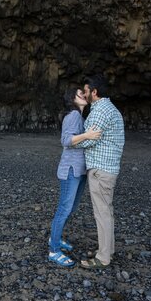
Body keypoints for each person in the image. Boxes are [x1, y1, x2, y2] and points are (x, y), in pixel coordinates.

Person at [73, 74, 125, 269]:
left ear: (94, 92)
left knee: (101, 213)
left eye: (86, 91)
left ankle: (103, 258)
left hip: (101, 170)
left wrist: (71, 141)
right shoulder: (108, 108)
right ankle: (107, 250)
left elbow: (88, 139)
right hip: (108, 169)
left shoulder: (100, 110)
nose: (84, 94)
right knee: (107, 211)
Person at [47, 87, 101, 267]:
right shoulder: (73, 116)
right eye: (80, 94)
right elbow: (66, 140)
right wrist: (88, 135)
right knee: (64, 208)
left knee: (70, 208)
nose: (84, 95)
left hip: (79, 170)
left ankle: (55, 237)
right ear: (72, 99)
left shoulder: (79, 116)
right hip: (70, 170)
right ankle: (54, 249)